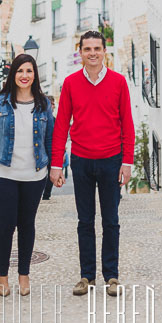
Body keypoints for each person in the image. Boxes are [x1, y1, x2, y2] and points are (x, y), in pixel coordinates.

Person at [49, 30, 134, 298]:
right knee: (85, 221)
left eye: (97, 48)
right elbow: (61, 124)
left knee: (111, 221)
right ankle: (87, 276)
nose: (93, 53)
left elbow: (127, 125)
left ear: (104, 52)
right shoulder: (71, 83)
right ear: (81, 53)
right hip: (81, 161)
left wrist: (127, 162)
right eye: (88, 49)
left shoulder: (119, 82)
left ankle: (112, 276)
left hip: (111, 161)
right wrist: (55, 164)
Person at [0, 54, 54, 297]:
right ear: (13, 74)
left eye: (29, 71)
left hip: (35, 176)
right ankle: (3, 276)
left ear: (35, 75)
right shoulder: (2, 102)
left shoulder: (44, 104)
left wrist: (56, 170)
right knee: (4, 227)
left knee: (27, 226)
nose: (25, 75)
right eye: (20, 71)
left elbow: (50, 140)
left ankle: (24, 274)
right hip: (5, 174)